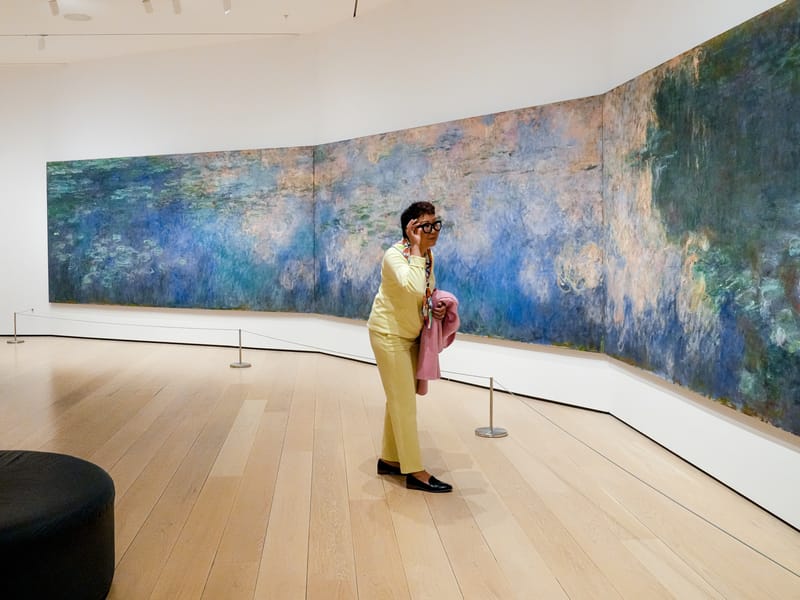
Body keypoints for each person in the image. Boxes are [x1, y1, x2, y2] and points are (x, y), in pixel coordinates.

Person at [367, 201, 453, 493]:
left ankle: (390, 459)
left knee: (398, 399)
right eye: (425, 226)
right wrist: (416, 249)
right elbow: (411, 287)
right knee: (404, 403)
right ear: (410, 229)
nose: (433, 231)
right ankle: (415, 471)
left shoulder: (427, 256)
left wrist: (436, 307)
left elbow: (423, 292)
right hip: (388, 334)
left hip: (409, 335)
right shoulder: (395, 256)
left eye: (435, 224)